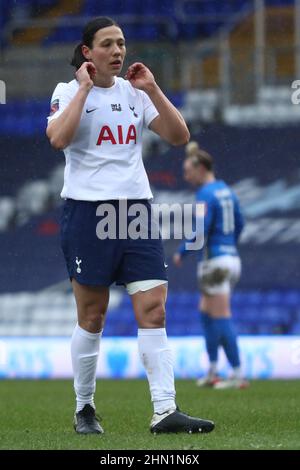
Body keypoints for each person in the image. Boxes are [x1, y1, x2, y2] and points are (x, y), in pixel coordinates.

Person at [46, 17, 215, 434]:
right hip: (87, 213)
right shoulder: (68, 92)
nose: (118, 51)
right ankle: (84, 407)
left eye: (121, 43)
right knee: (93, 316)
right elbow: (57, 139)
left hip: (135, 213)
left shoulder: (134, 94)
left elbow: (179, 136)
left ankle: (165, 410)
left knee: (154, 310)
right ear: (88, 53)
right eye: (107, 44)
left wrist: (153, 89)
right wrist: (84, 90)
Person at [173, 142, 248, 389]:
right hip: (231, 258)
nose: (186, 176)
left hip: (214, 262)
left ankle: (237, 374)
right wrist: (230, 247)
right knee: (206, 313)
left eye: (188, 171)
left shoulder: (205, 194)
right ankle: (213, 369)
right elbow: (240, 223)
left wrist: (182, 251)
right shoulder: (226, 191)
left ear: (201, 168)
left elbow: (201, 230)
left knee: (220, 315)